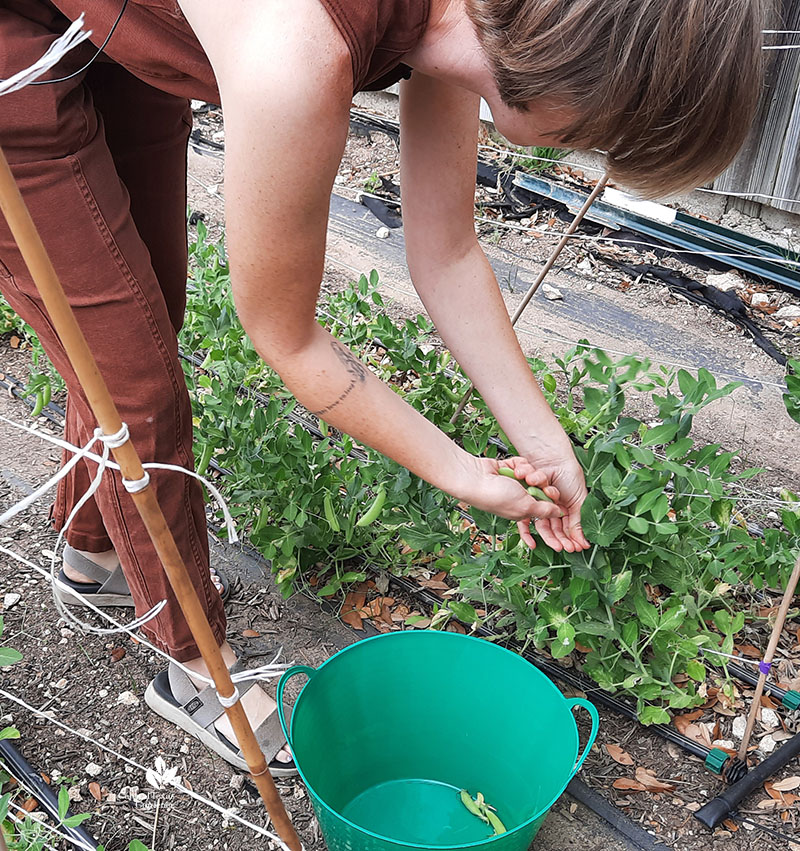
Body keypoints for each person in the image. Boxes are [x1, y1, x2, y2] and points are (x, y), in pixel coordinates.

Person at [0, 0, 767, 775]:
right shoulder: (293, 56)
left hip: (115, 20)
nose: (599, 156)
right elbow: (287, 337)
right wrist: (463, 473)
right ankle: (192, 662)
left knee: (138, 312)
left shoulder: (465, 24)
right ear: (582, 69)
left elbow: (448, 250)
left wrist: (543, 439)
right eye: (613, 136)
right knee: (135, 379)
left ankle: (89, 551)